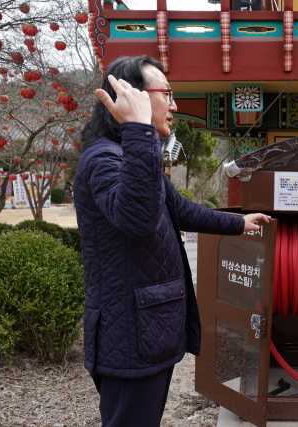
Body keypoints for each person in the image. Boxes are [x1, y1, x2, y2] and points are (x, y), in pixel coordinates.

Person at [75, 55, 271, 427]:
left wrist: (237, 224)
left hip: (147, 330)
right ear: (135, 96)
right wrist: (139, 131)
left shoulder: (131, 155)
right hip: (130, 335)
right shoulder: (104, 159)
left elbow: (177, 208)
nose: (175, 105)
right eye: (167, 93)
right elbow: (138, 220)